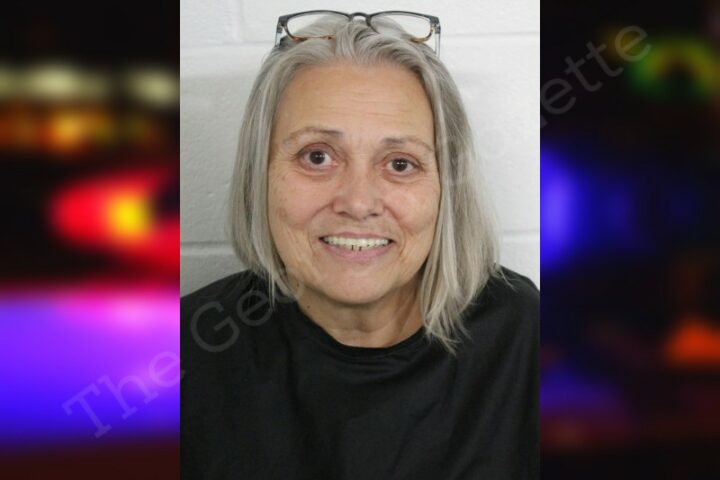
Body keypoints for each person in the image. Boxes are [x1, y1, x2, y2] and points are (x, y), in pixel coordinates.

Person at [182, 11, 538, 479]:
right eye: (317, 156)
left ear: (446, 188)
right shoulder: (182, 354)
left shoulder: (529, 341)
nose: (358, 202)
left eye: (400, 164)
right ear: (260, 175)